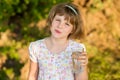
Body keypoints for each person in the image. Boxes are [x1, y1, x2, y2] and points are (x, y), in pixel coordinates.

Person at [28, 2, 88, 80]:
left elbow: (80, 78)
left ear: (73, 30)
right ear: (51, 20)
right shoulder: (36, 47)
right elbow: (32, 76)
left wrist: (82, 65)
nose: (60, 26)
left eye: (67, 24)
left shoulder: (76, 49)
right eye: (58, 20)